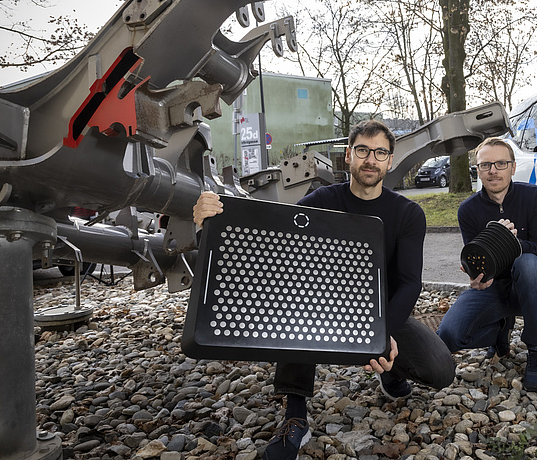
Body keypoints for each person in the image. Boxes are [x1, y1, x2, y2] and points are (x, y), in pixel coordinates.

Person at [192, 120, 456, 460]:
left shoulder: (407, 214)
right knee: (293, 303)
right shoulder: (320, 202)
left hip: (380, 308)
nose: (370, 160)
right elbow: (268, 248)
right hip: (323, 304)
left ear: (390, 161)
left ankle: (390, 375)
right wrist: (209, 222)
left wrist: (383, 333)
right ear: (348, 155)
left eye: (379, 153)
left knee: (441, 371)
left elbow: (409, 283)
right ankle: (296, 414)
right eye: (362, 150)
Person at [436, 137, 537, 391]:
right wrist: (477, 274)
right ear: (477, 170)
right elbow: (477, 258)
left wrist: (512, 243)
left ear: (513, 167)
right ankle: (501, 328)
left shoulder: (532, 196)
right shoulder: (468, 210)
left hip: (532, 285)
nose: (493, 170)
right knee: (449, 336)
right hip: (494, 287)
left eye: (501, 163)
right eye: (485, 165)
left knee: (529, 264)